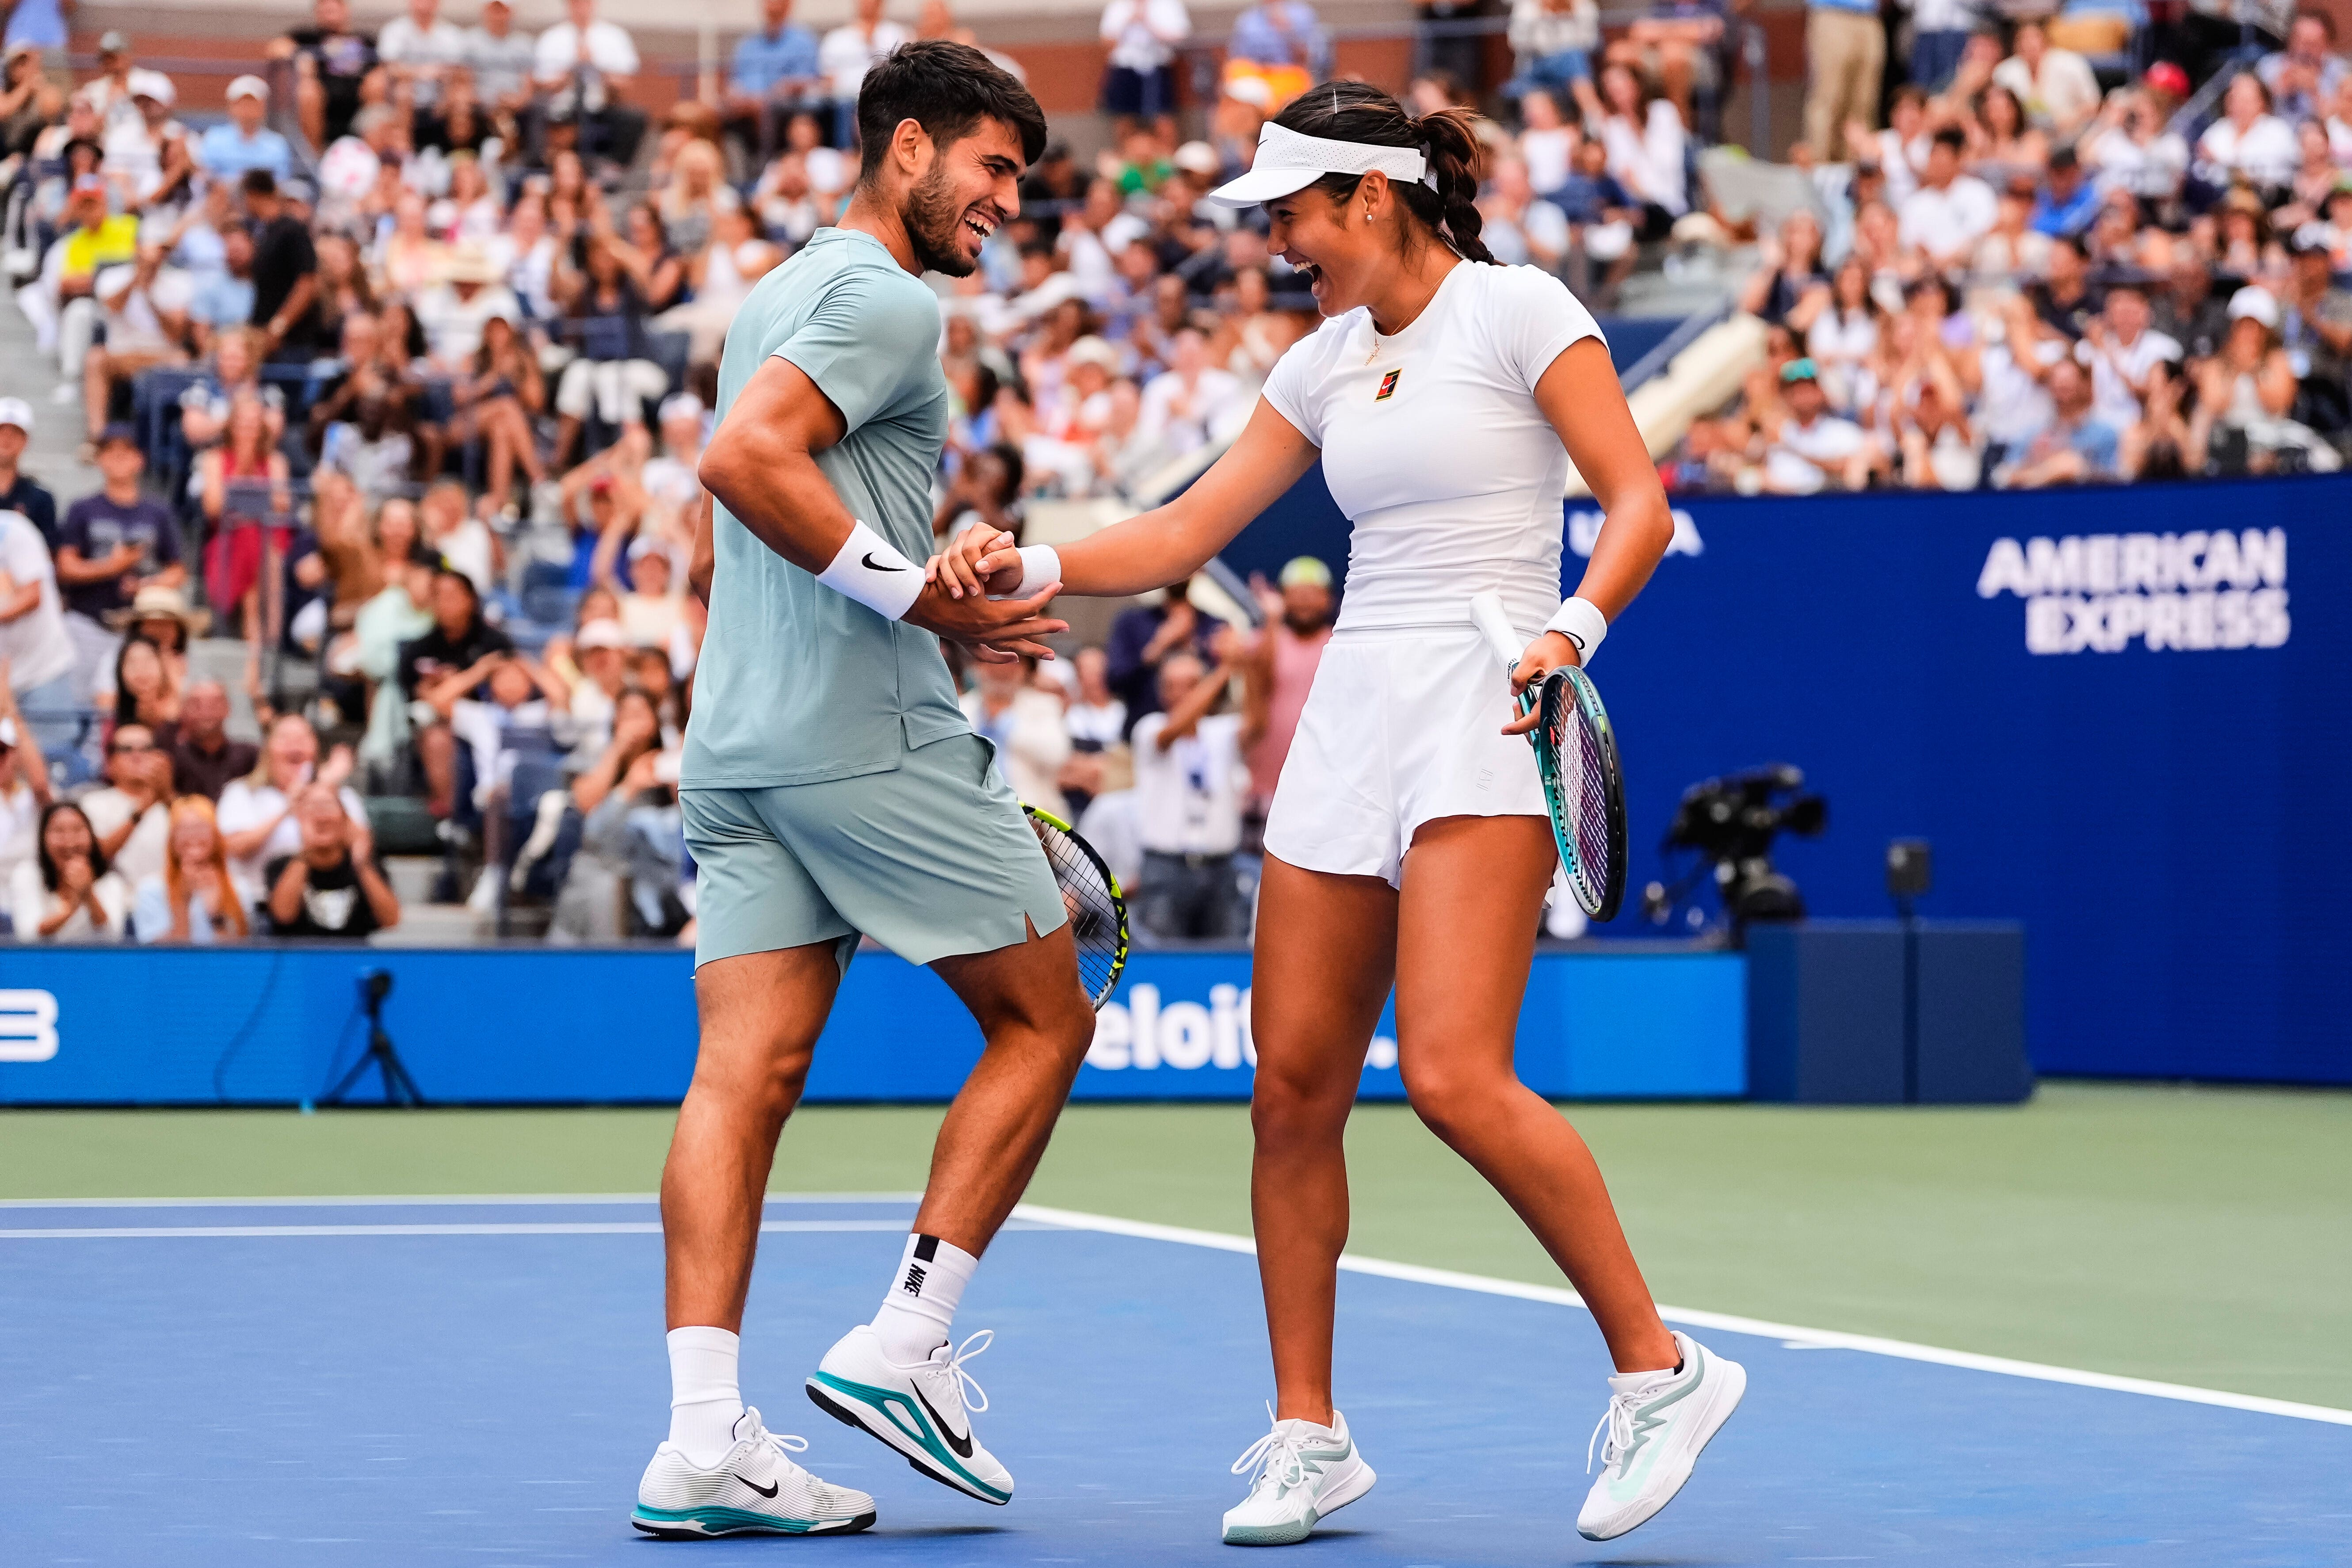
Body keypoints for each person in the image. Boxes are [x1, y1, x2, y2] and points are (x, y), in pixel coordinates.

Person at [934, 79, 1742, 1547]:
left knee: (1449, 1073)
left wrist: (1573, 632)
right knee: (1290, 1090)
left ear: (1373, 197)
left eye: (1294, 213)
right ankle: (1309, 1434)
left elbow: (1632, 496)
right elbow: (1182, 528)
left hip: (1489, 696)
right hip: (1349, 717)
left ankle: (1662, 1366)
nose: (1278, 241)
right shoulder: (1318, 360)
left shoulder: (1520, 312)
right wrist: (1031, 567)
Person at [637, 40, 1091, 1542]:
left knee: (742, 1080)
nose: (1005, 202)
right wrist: (918, 595)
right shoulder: (888, 299)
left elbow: (797, 476)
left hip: (740, 748)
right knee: (1048, 1014)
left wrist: (926, 551)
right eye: (992, 169)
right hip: (866, 735)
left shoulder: (787, 288)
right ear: (910, 150)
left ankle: (704, 1437)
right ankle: (907, 1341)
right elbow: (744, 456)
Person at [1130, 640, 1253, 939]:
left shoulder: (1222, 731)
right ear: (1161, 691)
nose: (1183, 694)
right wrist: (1225, 671)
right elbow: (1172, 731)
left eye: (1192, 685)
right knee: (1164, 960)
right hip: (1166, 865)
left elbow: (1259, 722)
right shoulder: (1149, 727)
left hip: (1221, 866)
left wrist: (1251, 663)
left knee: (1226, 958)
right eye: (1173, 685)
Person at [54, 427, 183, 698]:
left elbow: (178, 570)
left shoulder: (157, 511)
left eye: (125, 453)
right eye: (110, 453)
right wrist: (111, 567)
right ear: (100, 459)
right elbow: (65, 566)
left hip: (139, 627)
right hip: (90, 620)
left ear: (140, 459)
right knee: (82, 702)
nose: (117, 460)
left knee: (138, 703)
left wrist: (147, 585)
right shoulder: (83, 508)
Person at [218, 713, 369, 907]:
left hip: (327, 905)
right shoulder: (241, 793)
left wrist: (326, 793)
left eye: (303, 738)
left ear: (316, 748)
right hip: (258, 906)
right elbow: (235, 848)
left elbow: (362, 847)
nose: (294, 745)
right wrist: (287, 809)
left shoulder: (341, 795)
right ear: (268, 750)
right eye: (285, 738)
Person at [1241, 555, 1332, 814]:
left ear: (1329, 599)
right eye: (1296, 594)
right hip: (1263, 789)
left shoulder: (1341, 646)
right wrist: (1270, 621)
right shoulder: (1263, 642)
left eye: (1312, 594)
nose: (1304, 602)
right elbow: (1258, 683)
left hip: (1323, 791)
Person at [266, 782, 400, 937]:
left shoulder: (365, 865)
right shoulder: (280, 865)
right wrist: (306, 851)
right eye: (312, 808)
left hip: (354, 958)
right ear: (299, 820)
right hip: (300, 958)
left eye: (328, 807)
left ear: (345, 819)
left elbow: (391, 920)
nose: (321, 817)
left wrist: (362, 864)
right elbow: (284, 916)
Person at [0, 501, 79, 764]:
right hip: (5, 676)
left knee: (55, 762)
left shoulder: (11, 530)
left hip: (43, 670)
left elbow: (32, 596)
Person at [961, 653, 1072, 816]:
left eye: (1013, 662)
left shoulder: (1046, 705)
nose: (1002, 670)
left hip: (1033, 819)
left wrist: (1001, 720)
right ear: (977, 665)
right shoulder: (959, 707)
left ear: (1027, 669)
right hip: (968, 813)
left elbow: (1057, 755)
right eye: (994, 660)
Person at [132, 794, 247, 942]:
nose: (193, 836)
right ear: (172, 840)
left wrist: (216, 916)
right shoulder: (150, 890)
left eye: (201, 828)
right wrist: (183, 903)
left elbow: (241, 959)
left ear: (216, 836)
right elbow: (156, 959)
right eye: (184, 830)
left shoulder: (239, 890)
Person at [12, 800, 128, 940]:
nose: (70, 842)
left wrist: (89, 895)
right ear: (43, 838)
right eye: (59, 831)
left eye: (78, 830)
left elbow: (114, 939)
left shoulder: (110, 880)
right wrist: (70, 909)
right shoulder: (27, 874)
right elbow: (29, 937)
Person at [81, 718, 174, 889]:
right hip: (117, 903)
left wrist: (167, 795)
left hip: (165, 902)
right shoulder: (93, 803)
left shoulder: (173, 806)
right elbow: (96, 856)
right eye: (126, 750)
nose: (137, 756)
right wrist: (141, 811)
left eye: (146, 749)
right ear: (110, 763)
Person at [726, 0, 823, 161]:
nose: (772, 5)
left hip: (786, 111)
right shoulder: (748, 45)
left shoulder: (803, 42)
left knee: (774, 112)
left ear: (789, 5)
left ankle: (767, 165)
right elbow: (735, 83)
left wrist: (767, 99)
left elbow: (804, 81)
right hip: (745, 111)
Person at [243, 170, 322, 363]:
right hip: (266, 340)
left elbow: (307, 283)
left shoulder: (293, 230)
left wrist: (278, 327)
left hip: (291, 343)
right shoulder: (265, 231)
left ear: (252, 195)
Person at [1100, 0, 1191, 141]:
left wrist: (1148, 23)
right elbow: (1106, 40)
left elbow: (1181, 37)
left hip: (1157, 66)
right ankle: (1127, 160)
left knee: (1163, 118)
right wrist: (1129, 21)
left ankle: (1167, 159)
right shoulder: (1119, 6)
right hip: (1126, 67)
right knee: (1124, 118)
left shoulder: (1168, 5)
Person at [1803, 0, 1882, 157]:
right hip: (1832, 13)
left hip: (1870, 16)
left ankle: (1856, 173)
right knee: (1829, 99)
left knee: (1864, 103)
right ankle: (1820, 169)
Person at [171, 679, 258, 801]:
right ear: (184, 710)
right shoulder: (172, 758)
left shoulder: (251, 756)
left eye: (214, 703)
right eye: (197, 704)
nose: (206, 711)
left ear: (228, 708)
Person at [197, 76, 292, 183]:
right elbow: (205, 179)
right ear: (231, 107)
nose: (248, 109)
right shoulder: (213, 138)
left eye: (253, 104)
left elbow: (280, 184)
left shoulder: (277, 145)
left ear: (263, 107)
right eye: (243, 104)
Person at [0, 399, 57, 550]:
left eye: (15, 433)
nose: (6, 439)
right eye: (1, 431)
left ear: (25, 441)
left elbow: (47, 556)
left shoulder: (41, 499)